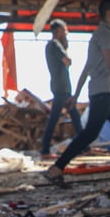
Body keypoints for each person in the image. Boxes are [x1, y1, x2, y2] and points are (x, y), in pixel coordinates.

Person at [44, 0, 110, 187]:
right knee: (89, 135)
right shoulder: (105, 34)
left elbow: (87, 68)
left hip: (107, 94)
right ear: (109, 14)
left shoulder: (99, 35)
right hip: (103, 94)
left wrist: (76, 95)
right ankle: (56, 168)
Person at [39, 19, 83, 157]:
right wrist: (66, 47)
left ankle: (84, 146)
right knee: (55, 119)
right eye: (64, 31)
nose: (66, 33)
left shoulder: (53, 45)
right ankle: (45, 149)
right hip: (61, 88)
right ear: (58, 31)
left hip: (62, 87)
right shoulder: (55, 45)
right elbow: (67, 61)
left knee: (75, 117)